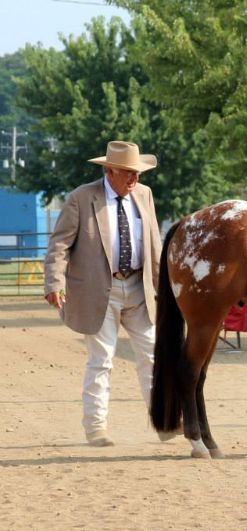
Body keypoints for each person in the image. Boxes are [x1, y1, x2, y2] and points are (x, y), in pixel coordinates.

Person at [44, 140, 170, 447]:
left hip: (141, 289)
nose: (134, 179)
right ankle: (96, 427)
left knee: (153, 358)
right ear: (109, 170)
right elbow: (59, 244)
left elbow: (154, 244)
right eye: (128, 172)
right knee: (101, 360)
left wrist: (164, 289)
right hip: (100, 290)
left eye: (137, 172)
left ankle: (163, 423)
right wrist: (53, 282)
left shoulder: (145, 195)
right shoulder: (82, 198)